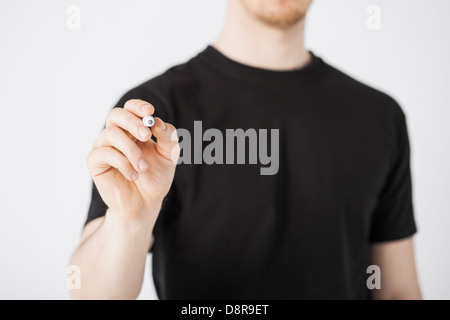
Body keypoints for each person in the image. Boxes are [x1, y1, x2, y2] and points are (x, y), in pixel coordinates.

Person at [70, 0, 421, 299]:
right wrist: (131, 221)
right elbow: (92, 292)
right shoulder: (154, 115)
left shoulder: (378, 116)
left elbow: (397, 290)